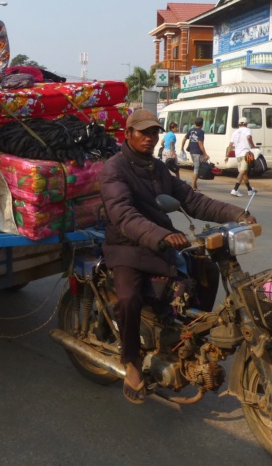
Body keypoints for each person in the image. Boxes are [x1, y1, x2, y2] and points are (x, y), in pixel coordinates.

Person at [99, 109, 256, 404]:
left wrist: (236, 213)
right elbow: (123, 215)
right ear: (128, 134)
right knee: (129, 299)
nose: (150, 137)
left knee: (207, 271)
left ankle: (184, 335)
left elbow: (192, 200)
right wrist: (160, 235)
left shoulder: (157, 168)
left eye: (154, 132)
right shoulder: (114, 169)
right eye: (143, 132)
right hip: (126, 246)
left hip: (161, 242)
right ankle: (130, 360)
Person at [225, 117, 257, 197]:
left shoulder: (235, 132)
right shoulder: (248, 130)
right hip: (245, 154)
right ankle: (235, 189)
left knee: (245, 173)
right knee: (242, 172)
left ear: (239, 124)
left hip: (238, 155)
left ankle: (249, 190)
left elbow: (230, 145)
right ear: (246, 124)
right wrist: (253, 146)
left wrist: (227, 156)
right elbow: (249, 137)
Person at [187, 117, 210, 192]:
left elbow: (184, 138)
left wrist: (181, 148)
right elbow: (200, 143)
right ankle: (193, 186)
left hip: (192, 151)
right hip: (197, 152)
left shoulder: (191, 130)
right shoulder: (201, 132)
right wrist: (205, 154)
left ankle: (195, 185)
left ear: (195, 123)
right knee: (197, 168)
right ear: (202, 124)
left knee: (198, 167)